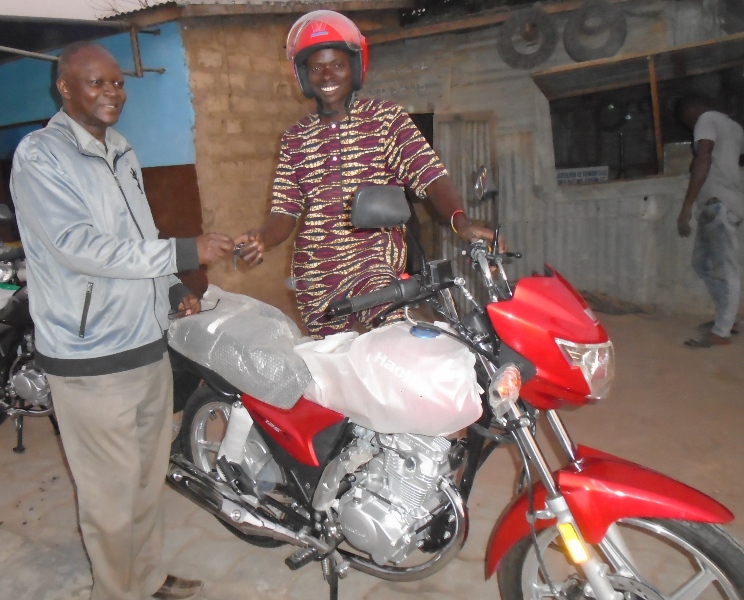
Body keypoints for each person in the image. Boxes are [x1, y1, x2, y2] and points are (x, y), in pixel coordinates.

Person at [9, 42, 234, 600]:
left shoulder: (122, 150)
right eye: (97, 83)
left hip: (145, 346)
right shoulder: (41, 156)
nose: (113, 93)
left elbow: (139, 239)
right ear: (65, 88)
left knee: (144, 481)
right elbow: (78, 246)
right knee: (108, 502)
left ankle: (148, 578)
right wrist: (186, 251)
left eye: (118, 83)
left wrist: (173, 286)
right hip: (90, 359)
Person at [235, 10, 496, 338]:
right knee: (341, 373)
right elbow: (284, 212)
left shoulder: (386, 120)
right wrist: (262, 238)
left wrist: (462, 222)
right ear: (303, 74)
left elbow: (430, 176)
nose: (327, 75)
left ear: (355, 68)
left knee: (395, 345)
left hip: (374, 267)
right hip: (315, 279)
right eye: (316, 67)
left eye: (338, 64)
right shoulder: (294, 138)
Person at [676, 96, 744, 348]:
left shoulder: (706, 120)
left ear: (691, 108)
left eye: (686, 119)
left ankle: (722, 331)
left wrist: (687, 206)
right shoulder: (734, 127)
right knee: (701, 263)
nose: (689, 124)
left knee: (725, 268)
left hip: (719, 204)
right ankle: (727, 320)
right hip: (723, 204)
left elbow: (703, 157)